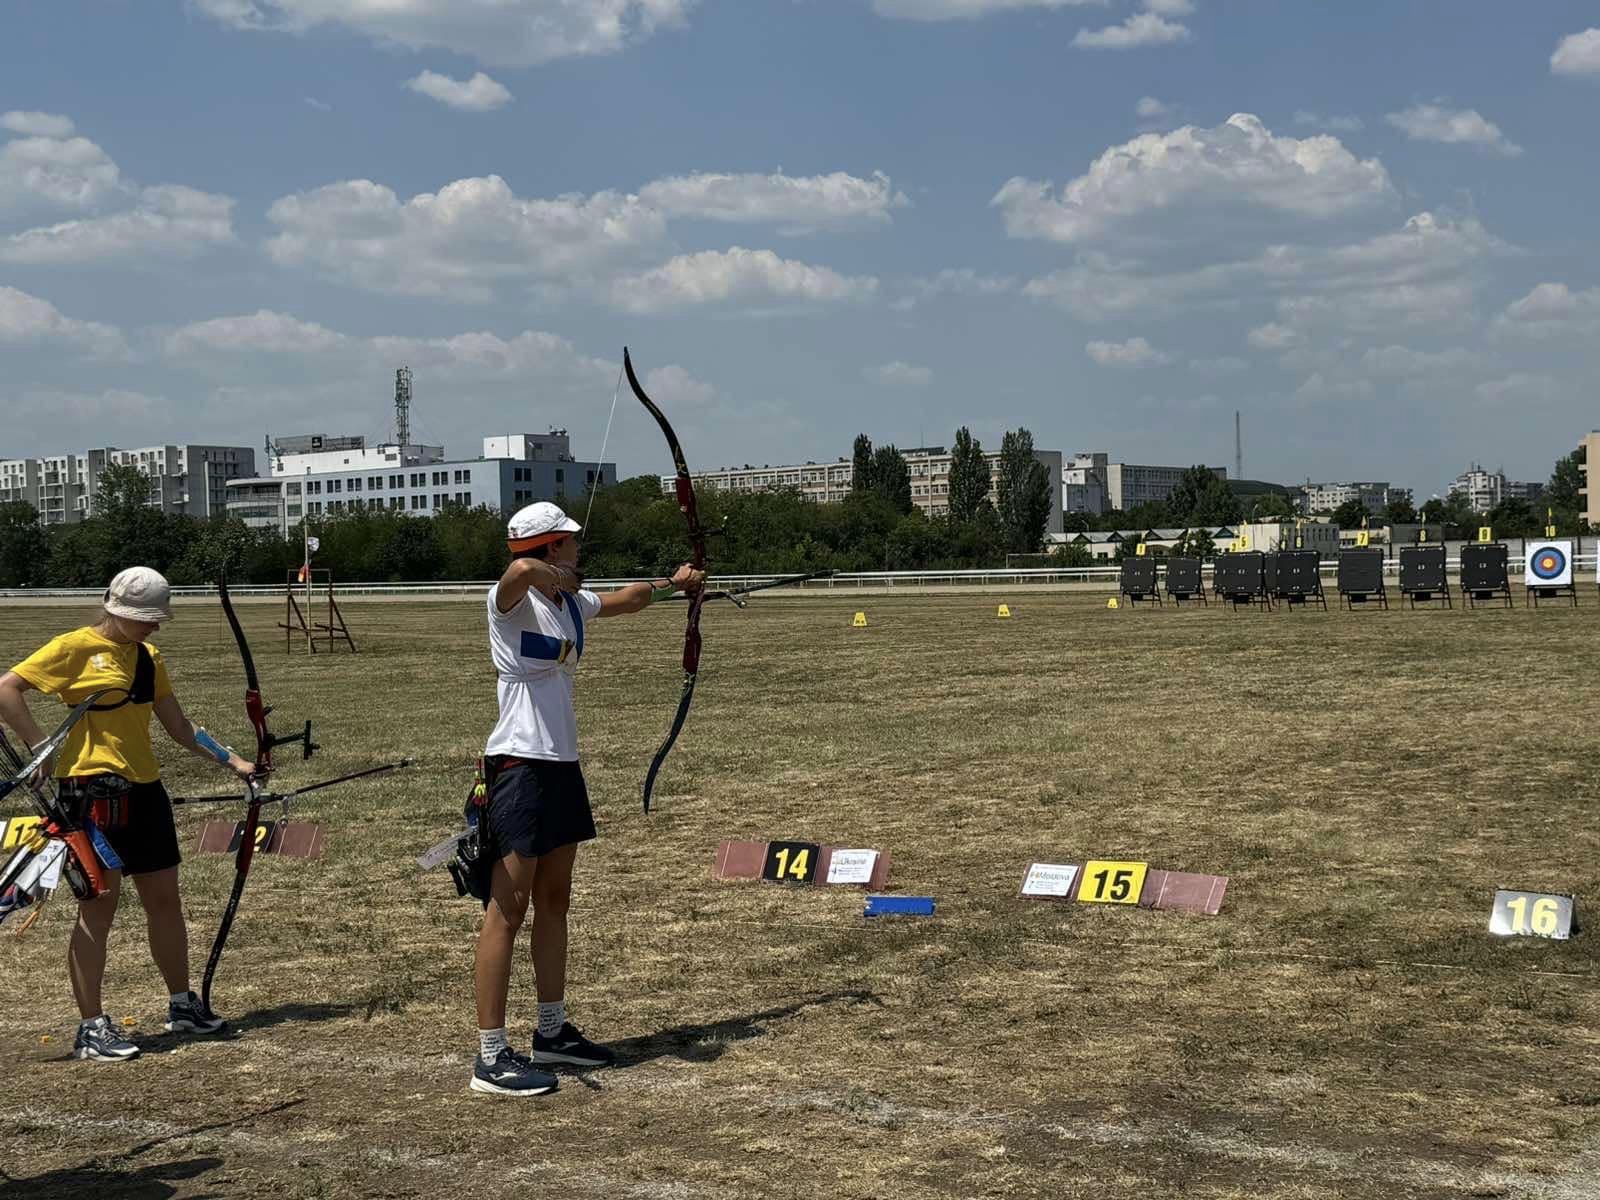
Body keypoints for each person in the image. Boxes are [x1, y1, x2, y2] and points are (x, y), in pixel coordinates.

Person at [471, 501, 703, 1097]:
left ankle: (552, 1032)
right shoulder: (512, 602)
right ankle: (491, 1055)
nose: (579, 549)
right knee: (508, 907)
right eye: (570, 543)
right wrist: (550, 574)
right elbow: (517, 574)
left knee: (554, 900)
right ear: (551, 548)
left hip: (561, 766)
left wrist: (673, 586)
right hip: (518, 766)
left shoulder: (572, 602)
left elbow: (628, 598)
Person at [0, 567, 256, 1061]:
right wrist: (40, 747)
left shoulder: (148, 657)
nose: (152, 627)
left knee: (165, 901)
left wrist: (235, 761)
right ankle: (91, 1027)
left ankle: (183, 1004)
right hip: (91, 795)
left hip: (146, 792)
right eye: (143, 619)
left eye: (155, 619)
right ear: (113, 610)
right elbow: (6, 688)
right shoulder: (73, 648)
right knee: (99, 908)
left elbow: (179, 725)